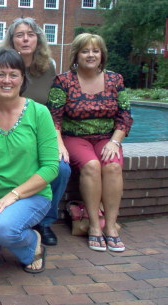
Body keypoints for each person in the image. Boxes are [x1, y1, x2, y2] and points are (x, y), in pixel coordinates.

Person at [0, 48, 59, 277]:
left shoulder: (39, 113)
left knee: (2, 228)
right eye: (0, 74)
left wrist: (14, 195)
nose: (7, 80)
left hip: (30, 196)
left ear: (23, 79)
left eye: (13, 74)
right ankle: (1, 230)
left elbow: (51, 167)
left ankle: (31, 242)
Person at [47, 33, 133, 252]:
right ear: (76, 54)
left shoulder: (115, 80)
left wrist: (115, 141)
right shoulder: (64, 81)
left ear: (102, 54)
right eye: (85, 50)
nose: (91, 55)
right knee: (92, 165)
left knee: (113, 166)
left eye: (95, 50)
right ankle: (94, 226)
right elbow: (54, 116)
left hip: (107, 138)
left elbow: (125, 115)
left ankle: (111, 227)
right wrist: (59, 144)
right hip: (75, 137)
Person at [0, 17, 71, 246]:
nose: (25, 38)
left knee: (61, 168)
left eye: (30, 34)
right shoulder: (2, 64)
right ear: (12, 40)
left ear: (37, 37)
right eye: (19, 34)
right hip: (10, 133)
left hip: (41, 133)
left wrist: (58, 140)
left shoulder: (47, 66)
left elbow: (54, 108)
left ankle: (45, 222)